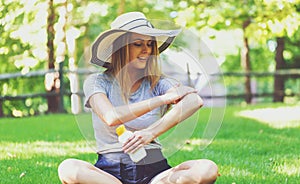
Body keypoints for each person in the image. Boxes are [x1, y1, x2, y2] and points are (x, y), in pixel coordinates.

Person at [58, 12, 219, 184]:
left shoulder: (159, 83)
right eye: (137, 44)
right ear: (120, 48)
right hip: (109, 173)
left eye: (150, 44)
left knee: (207, 169)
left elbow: (195, 101)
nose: (146, 50)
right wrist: (162, 100)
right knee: (68, 168)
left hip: (155, 171)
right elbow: (111, 116)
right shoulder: (97, 82)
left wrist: (150, 133)